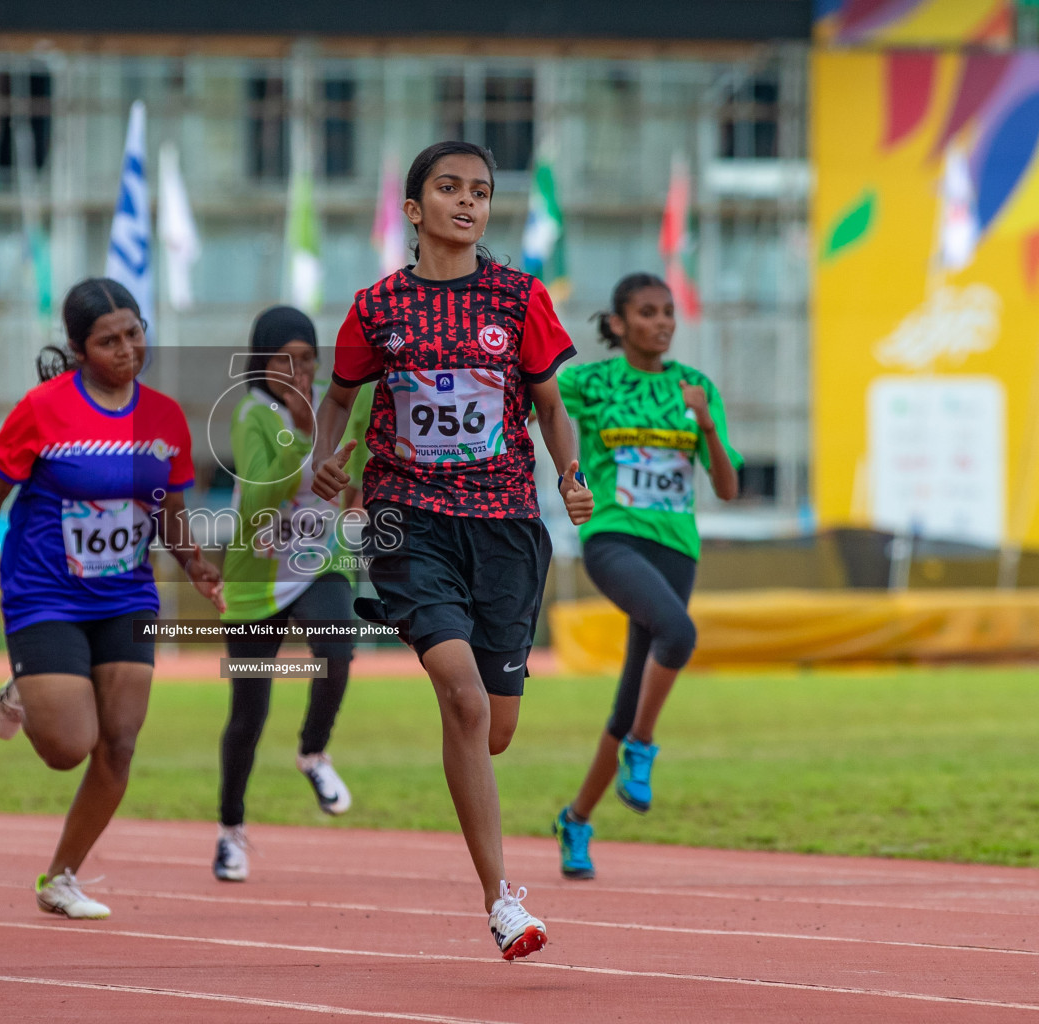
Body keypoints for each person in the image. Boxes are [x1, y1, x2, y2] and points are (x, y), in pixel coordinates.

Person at [310, 141, 593, 961]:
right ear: (413, 208)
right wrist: (327, 458)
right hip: (408, 518)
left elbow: (550, 406)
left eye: (479, 191)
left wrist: (569, 475)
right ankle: (501, 900)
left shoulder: (520, 299)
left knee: (493, 728)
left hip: (504, 525)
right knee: (464, 703)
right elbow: (336, 399)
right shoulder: (375, 309)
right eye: (448, 188)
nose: (467, 202)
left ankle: (465, 700)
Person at [0, 277, 224, 920]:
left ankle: (61, 877)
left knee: (119, 744)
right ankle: (22, 689)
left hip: (128, 594)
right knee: (67, 747)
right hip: (46, 592)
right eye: (108, 341)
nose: (127, 349)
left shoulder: (164, 416)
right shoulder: (44, 408)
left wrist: (194, 563)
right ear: (78, 349)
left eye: (134, 333)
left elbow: (167, 505)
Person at [550, 273, 741, 880]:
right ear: (619, 323)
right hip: (612, 537)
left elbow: (729, 488)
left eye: (667, 314)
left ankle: (577, 818)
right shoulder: (593, 381)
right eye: (647, 313)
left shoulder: (696, 388)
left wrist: (706, 424)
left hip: (677, 550)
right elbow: (538, 399)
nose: (661, 322)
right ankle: (643, 747)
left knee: (631, 693)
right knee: (679, 635)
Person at [213, 306, 366, 883]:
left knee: (337, 650)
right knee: (248, 715)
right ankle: (231, 830)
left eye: (306, 358)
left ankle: (313, 752)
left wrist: (356, 498)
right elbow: (255, 504)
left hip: (318, 560)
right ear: (261, 363)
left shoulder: (335, 403)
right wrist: (298, 438)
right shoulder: (253, 414)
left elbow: (357, 467)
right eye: (284, 359)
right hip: (255, 575)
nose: (298, 371)